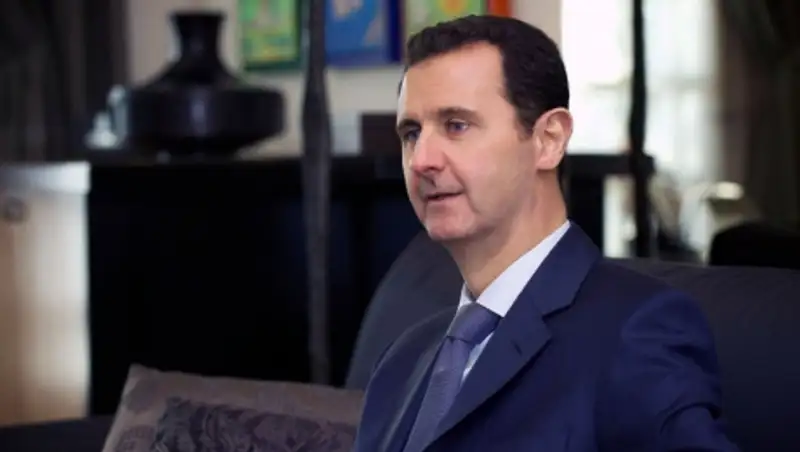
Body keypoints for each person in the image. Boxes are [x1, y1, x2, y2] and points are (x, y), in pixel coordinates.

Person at [353, 14, 739, 452]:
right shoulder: (401, 360)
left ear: (549, 139)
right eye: (411, 133)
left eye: (456, 125)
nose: (421, 159)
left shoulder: (636, 331)